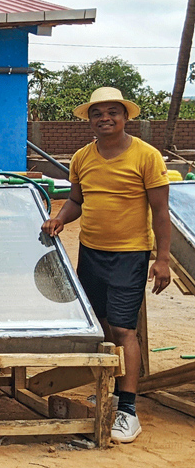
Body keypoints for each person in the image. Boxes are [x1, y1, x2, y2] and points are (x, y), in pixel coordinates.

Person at [41, 87, 170, 444]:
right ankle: (109, 391)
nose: (105, 119)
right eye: (98, 113)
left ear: (126, 117)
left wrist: (161, 259)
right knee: (101, 325)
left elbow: (161, 212)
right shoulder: (82, 157)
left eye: (113, 112)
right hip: (91, 251)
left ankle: (127, 410)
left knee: (125, 329)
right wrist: (60, 220)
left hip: (130, 254)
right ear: (90, 119)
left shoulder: (147, 156)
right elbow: (76, 200)